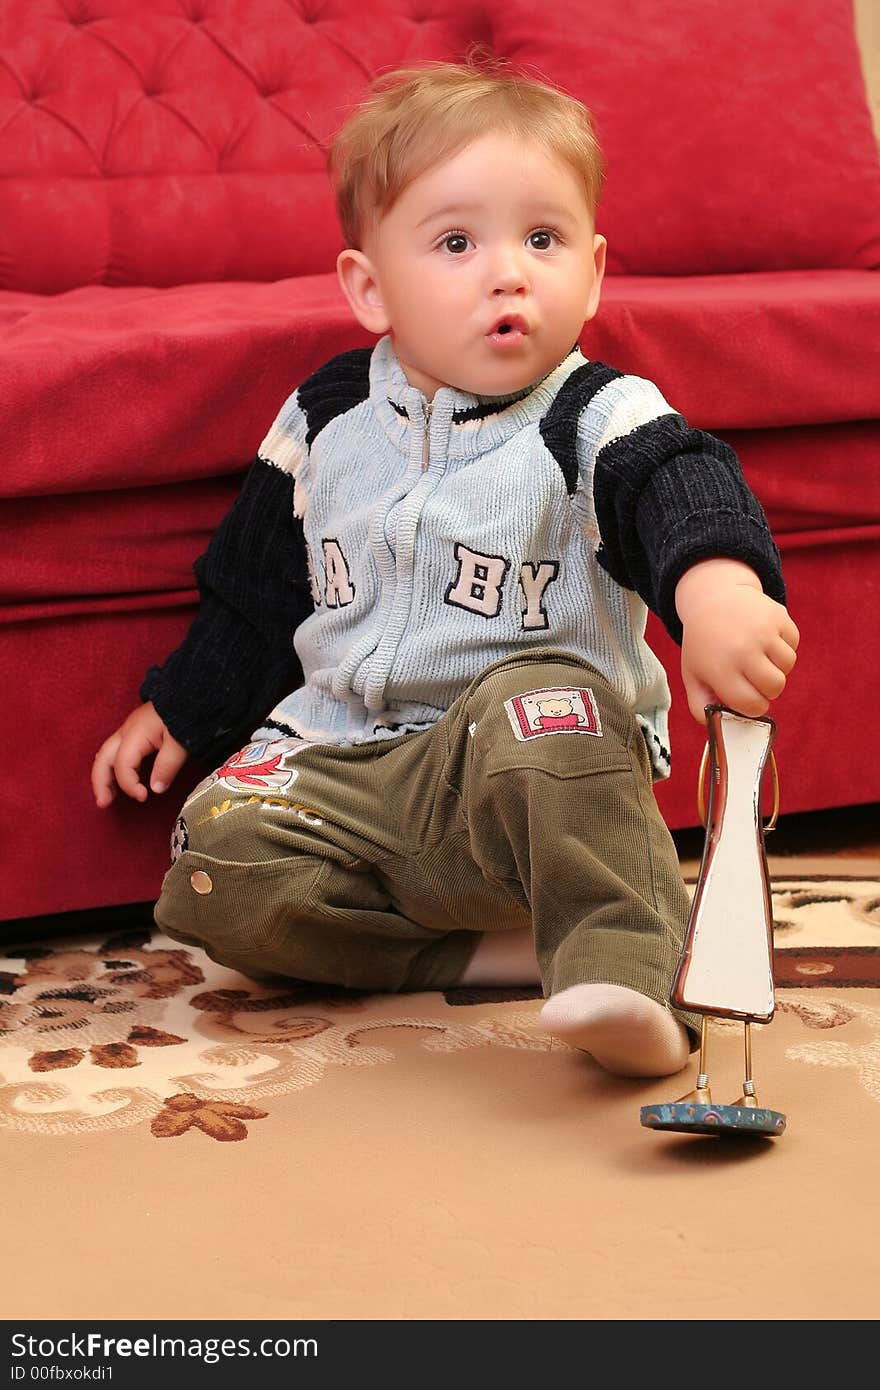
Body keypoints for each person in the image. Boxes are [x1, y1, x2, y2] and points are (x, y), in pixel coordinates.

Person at [91, 60, 799, 1080]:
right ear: (369, 288)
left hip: (529, 763)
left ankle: (629, 967)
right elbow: (256, 594)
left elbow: (680, 487)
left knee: (546, 699)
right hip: (353, 761)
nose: (506, 272)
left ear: (593, 272)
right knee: (214, 871)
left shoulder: (593, 411)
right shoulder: (325, 416)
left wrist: (718, 588)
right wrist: (182, 705)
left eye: (542, 240)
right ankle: (488, 952)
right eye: (457, 243)